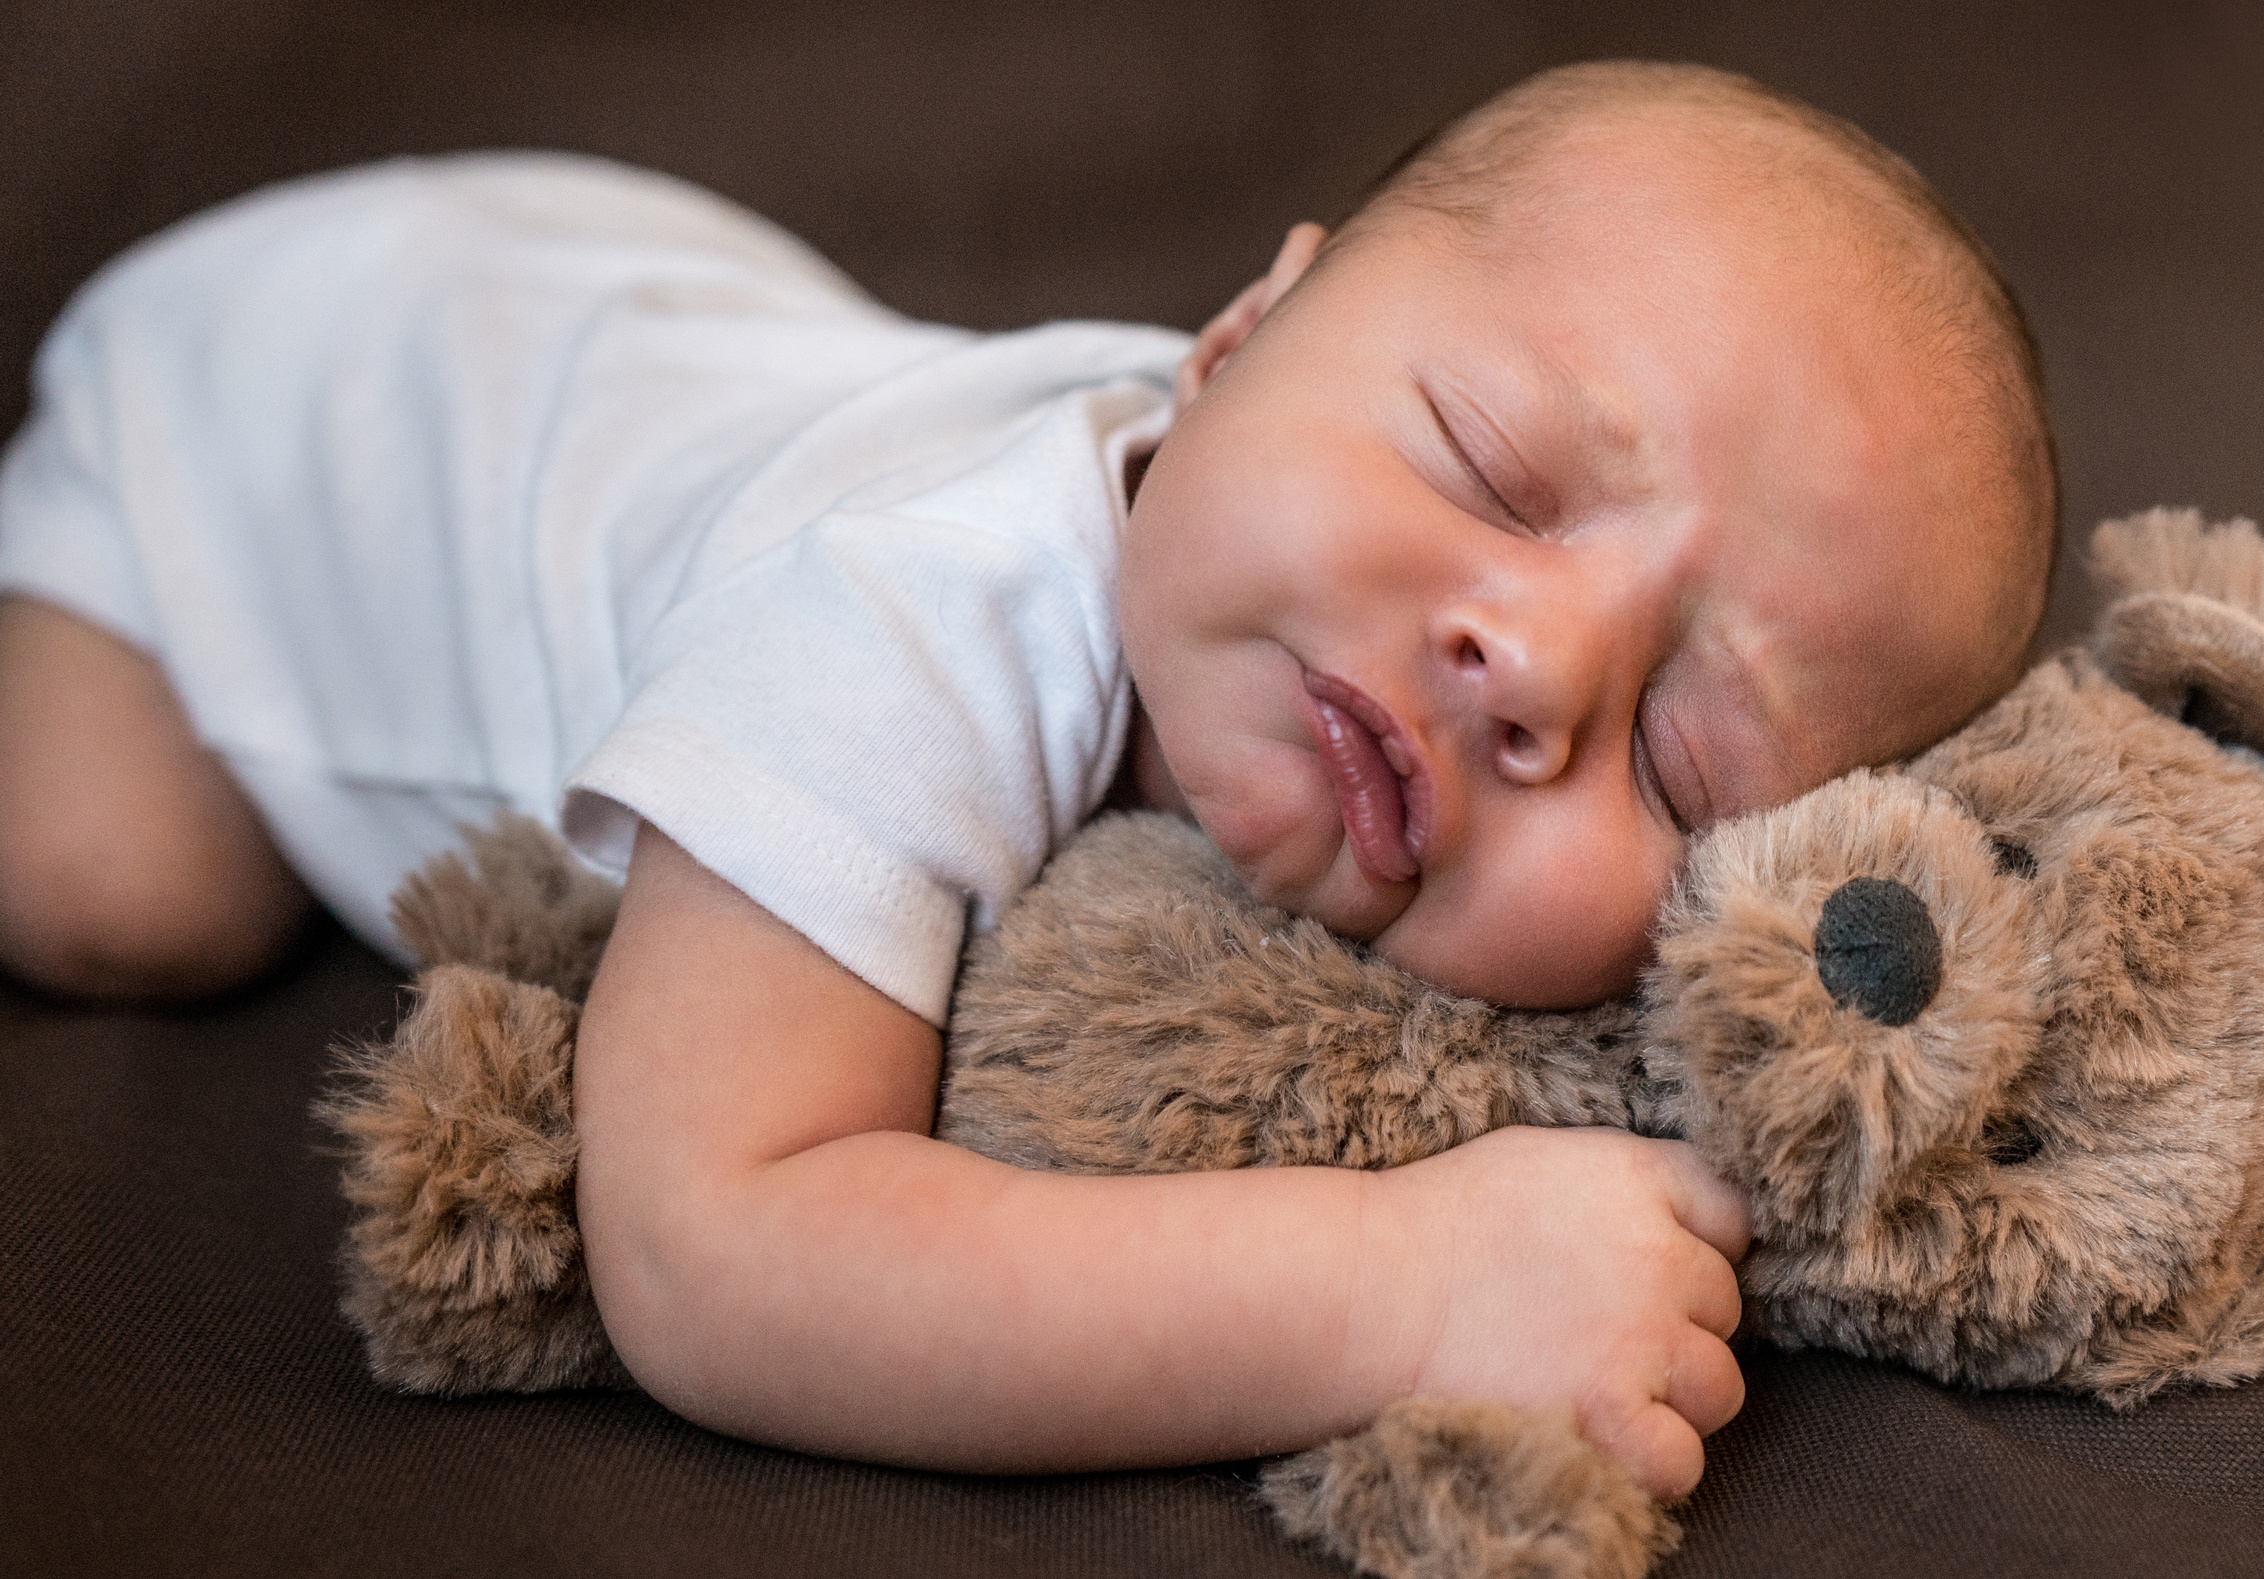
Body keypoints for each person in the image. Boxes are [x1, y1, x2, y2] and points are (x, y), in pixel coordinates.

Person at [0, 61, 2054, 1499]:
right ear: (1238, 342)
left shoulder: (1305, 576)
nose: (1529, 663)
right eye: (1490, 466)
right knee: (117, 887)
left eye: (1682, 758)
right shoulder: (900, 623)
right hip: (293, 403)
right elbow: (714, 1251)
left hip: (621, 317)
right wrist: (1398, 1288)